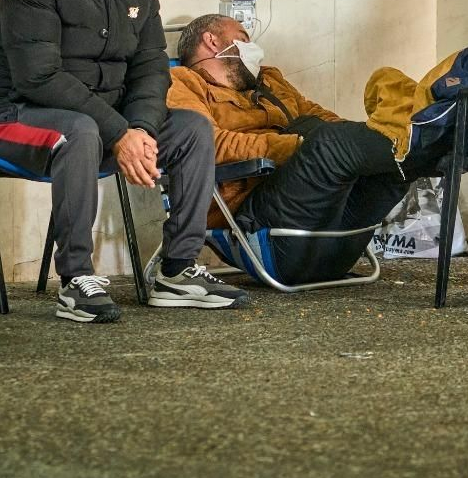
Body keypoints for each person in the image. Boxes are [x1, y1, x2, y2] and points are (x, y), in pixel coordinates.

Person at [0, 0, 243, 323]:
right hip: (11, 115)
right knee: (79, 132)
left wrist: (140, 128)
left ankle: (177, 270)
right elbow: (39, 77)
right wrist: (119, 132)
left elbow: (151, 66)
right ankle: (76, 279)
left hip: (102, 121)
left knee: (192, 128)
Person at [170, 14, 431, 285]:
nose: (253, 47)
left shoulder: (269, 80)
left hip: (336, 245)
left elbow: (322, 117)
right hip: (266, 228)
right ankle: (430, 136)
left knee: (391, 160)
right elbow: (210, 144)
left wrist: (358, 139)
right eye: (243, 38)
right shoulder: (182, 82)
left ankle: (436, 138)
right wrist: (297, 146)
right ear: (212, 41)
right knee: (332, 143)